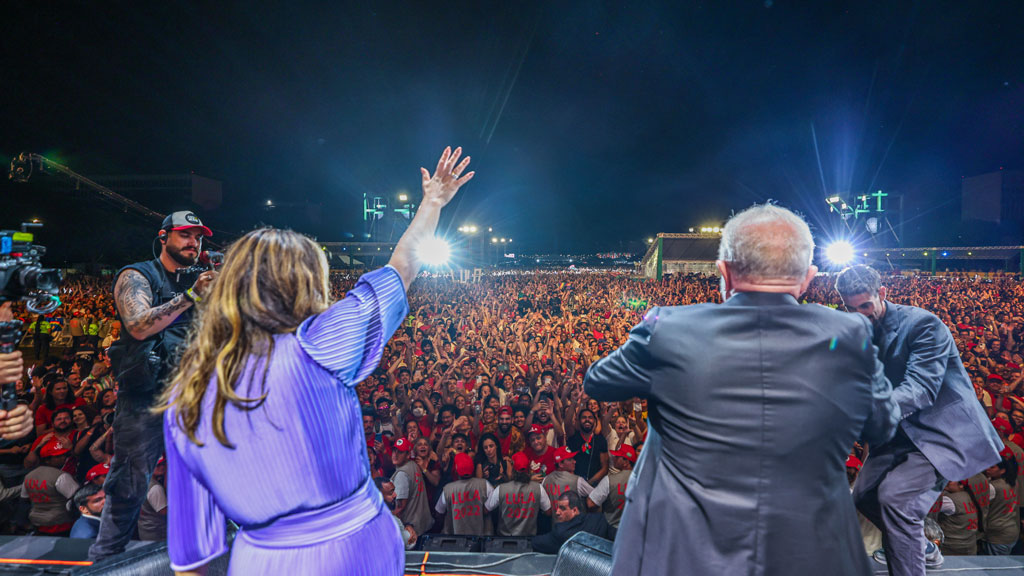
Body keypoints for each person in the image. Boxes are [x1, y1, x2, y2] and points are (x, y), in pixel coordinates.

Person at [159, 147, 473, 576]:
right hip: (353, 553)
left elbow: (193, 557)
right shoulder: (318, 343)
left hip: (260, 562)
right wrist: (432, 203)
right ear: (304, 284)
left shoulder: (184, 398)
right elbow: (401, 269)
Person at [583, 203, 899, 576]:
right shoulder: (849, 334)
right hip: (812, 553)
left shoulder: (668, 327)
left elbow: (598, 381)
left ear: (725, 273)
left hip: (680, 554)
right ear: (808, 278)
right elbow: (883, 425)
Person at [836, 265, 1003, 576]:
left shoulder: (923, 324)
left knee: (896, 500)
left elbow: (921, 389)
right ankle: (921, 545)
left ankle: (910, 557)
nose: (859, 314)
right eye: (850, 308)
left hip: (937, 434)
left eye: (865, 306)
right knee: (861, 496)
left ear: (882, 294)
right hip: (897, 434)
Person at [90, 210, 218, 562]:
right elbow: (138, 326)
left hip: (194, 398)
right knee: (130, 484)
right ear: (164, 238)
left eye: (198, 237)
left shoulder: (202, 279)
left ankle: (202, 559)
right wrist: (191, 296)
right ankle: (106, 560)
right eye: (185, 235)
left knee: (204, 484)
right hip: (145, 399)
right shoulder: (137, 275)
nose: (194, 242)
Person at [532, 491, 610, 554]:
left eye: (562, 508)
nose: (557, 512)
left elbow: (537, 543)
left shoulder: (561, 531)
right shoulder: (599, 520)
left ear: (575, 510)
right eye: (558, 508)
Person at [436, 452, 494, 535]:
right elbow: (494, 507)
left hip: (455, 540)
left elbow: (439, 512)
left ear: (456, 468)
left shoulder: (448, 489)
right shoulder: (485, 485)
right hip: (482, 538)